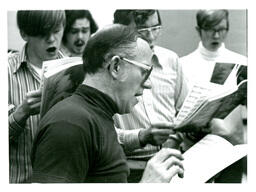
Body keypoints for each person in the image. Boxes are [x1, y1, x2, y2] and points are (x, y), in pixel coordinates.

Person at [31, 24, 185, 183]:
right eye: (145, 72)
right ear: (116, 66)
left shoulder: (95, 116)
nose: (149, 84)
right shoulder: (69, 123)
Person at [113, 9, 188, 182]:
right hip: (129, 168)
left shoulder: (171, 60)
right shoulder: (112, 67)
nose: (152, 37)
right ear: (121, 30)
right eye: (142, 31)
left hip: (171, 161)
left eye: (156, 28)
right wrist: (141, 136)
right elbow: (104, 133)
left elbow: (184, 110)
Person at [180, 9, 247, 182]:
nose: (216, 35)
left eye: (222, 29)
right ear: (199, 30)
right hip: (194, 147)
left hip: (232, 146)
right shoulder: (183, 64)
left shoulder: (243, 63)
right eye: (210, 29)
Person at [8, 10, 66, 183]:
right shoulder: (6, 73)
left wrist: (139, 136)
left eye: (56, 30)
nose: (51, 39)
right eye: (43, 32)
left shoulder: (76, 70)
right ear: (24, 34)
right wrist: (21, 114)